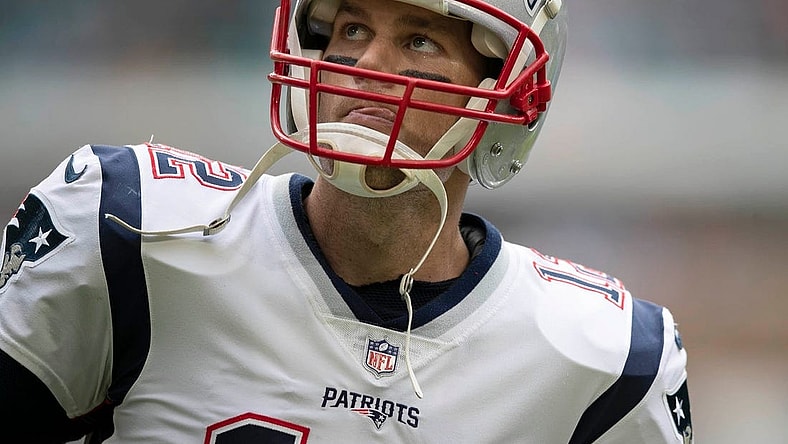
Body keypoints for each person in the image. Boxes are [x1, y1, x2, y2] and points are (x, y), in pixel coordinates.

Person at [0, 0, 693, 442]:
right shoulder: (136, 226)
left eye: (420, 40)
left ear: (505, 98)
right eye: (354, 28)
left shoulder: (603, 361)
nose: (364, 63)